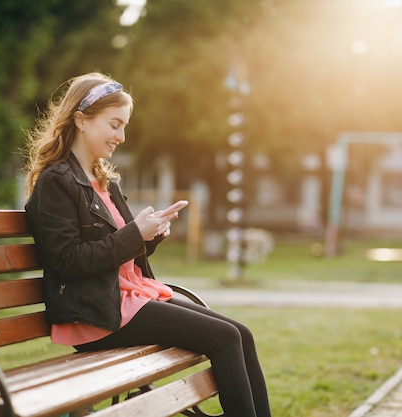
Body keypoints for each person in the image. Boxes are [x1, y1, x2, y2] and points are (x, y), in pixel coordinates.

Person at [24, 72, 271, 417]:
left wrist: (150, 235)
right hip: (94, 315)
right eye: (114, 124)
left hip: (123, 299)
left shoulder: (103, 182)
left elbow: (121, 252)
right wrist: (134, 234)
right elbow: (67, 260)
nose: (121, 137)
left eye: (123, 126)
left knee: (240, 333)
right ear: (80, 120)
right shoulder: (57, 182)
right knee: (224, 338)